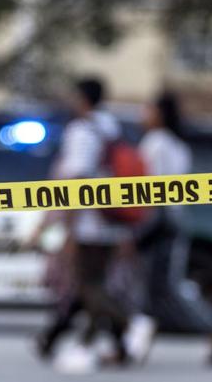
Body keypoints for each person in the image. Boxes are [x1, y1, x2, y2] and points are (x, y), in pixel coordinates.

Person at [32, 78, 155, 368]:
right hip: (113, 216)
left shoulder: (81, 131)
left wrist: (70, 230)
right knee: (94, 284)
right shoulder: (109, 126)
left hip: (90, 222)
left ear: (81, 98)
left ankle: (132, 324)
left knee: (88, 284)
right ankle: (99, 345)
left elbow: (77, 181)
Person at [137, 91, 212, 366]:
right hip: (173, 219)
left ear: (160, 114)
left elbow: (149, 187)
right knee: (150, 289)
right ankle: (133, 347)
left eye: (148, 109)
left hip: (160, 221)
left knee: (165, 287)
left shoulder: (156, 143)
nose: (143, 115)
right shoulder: (178, 145)